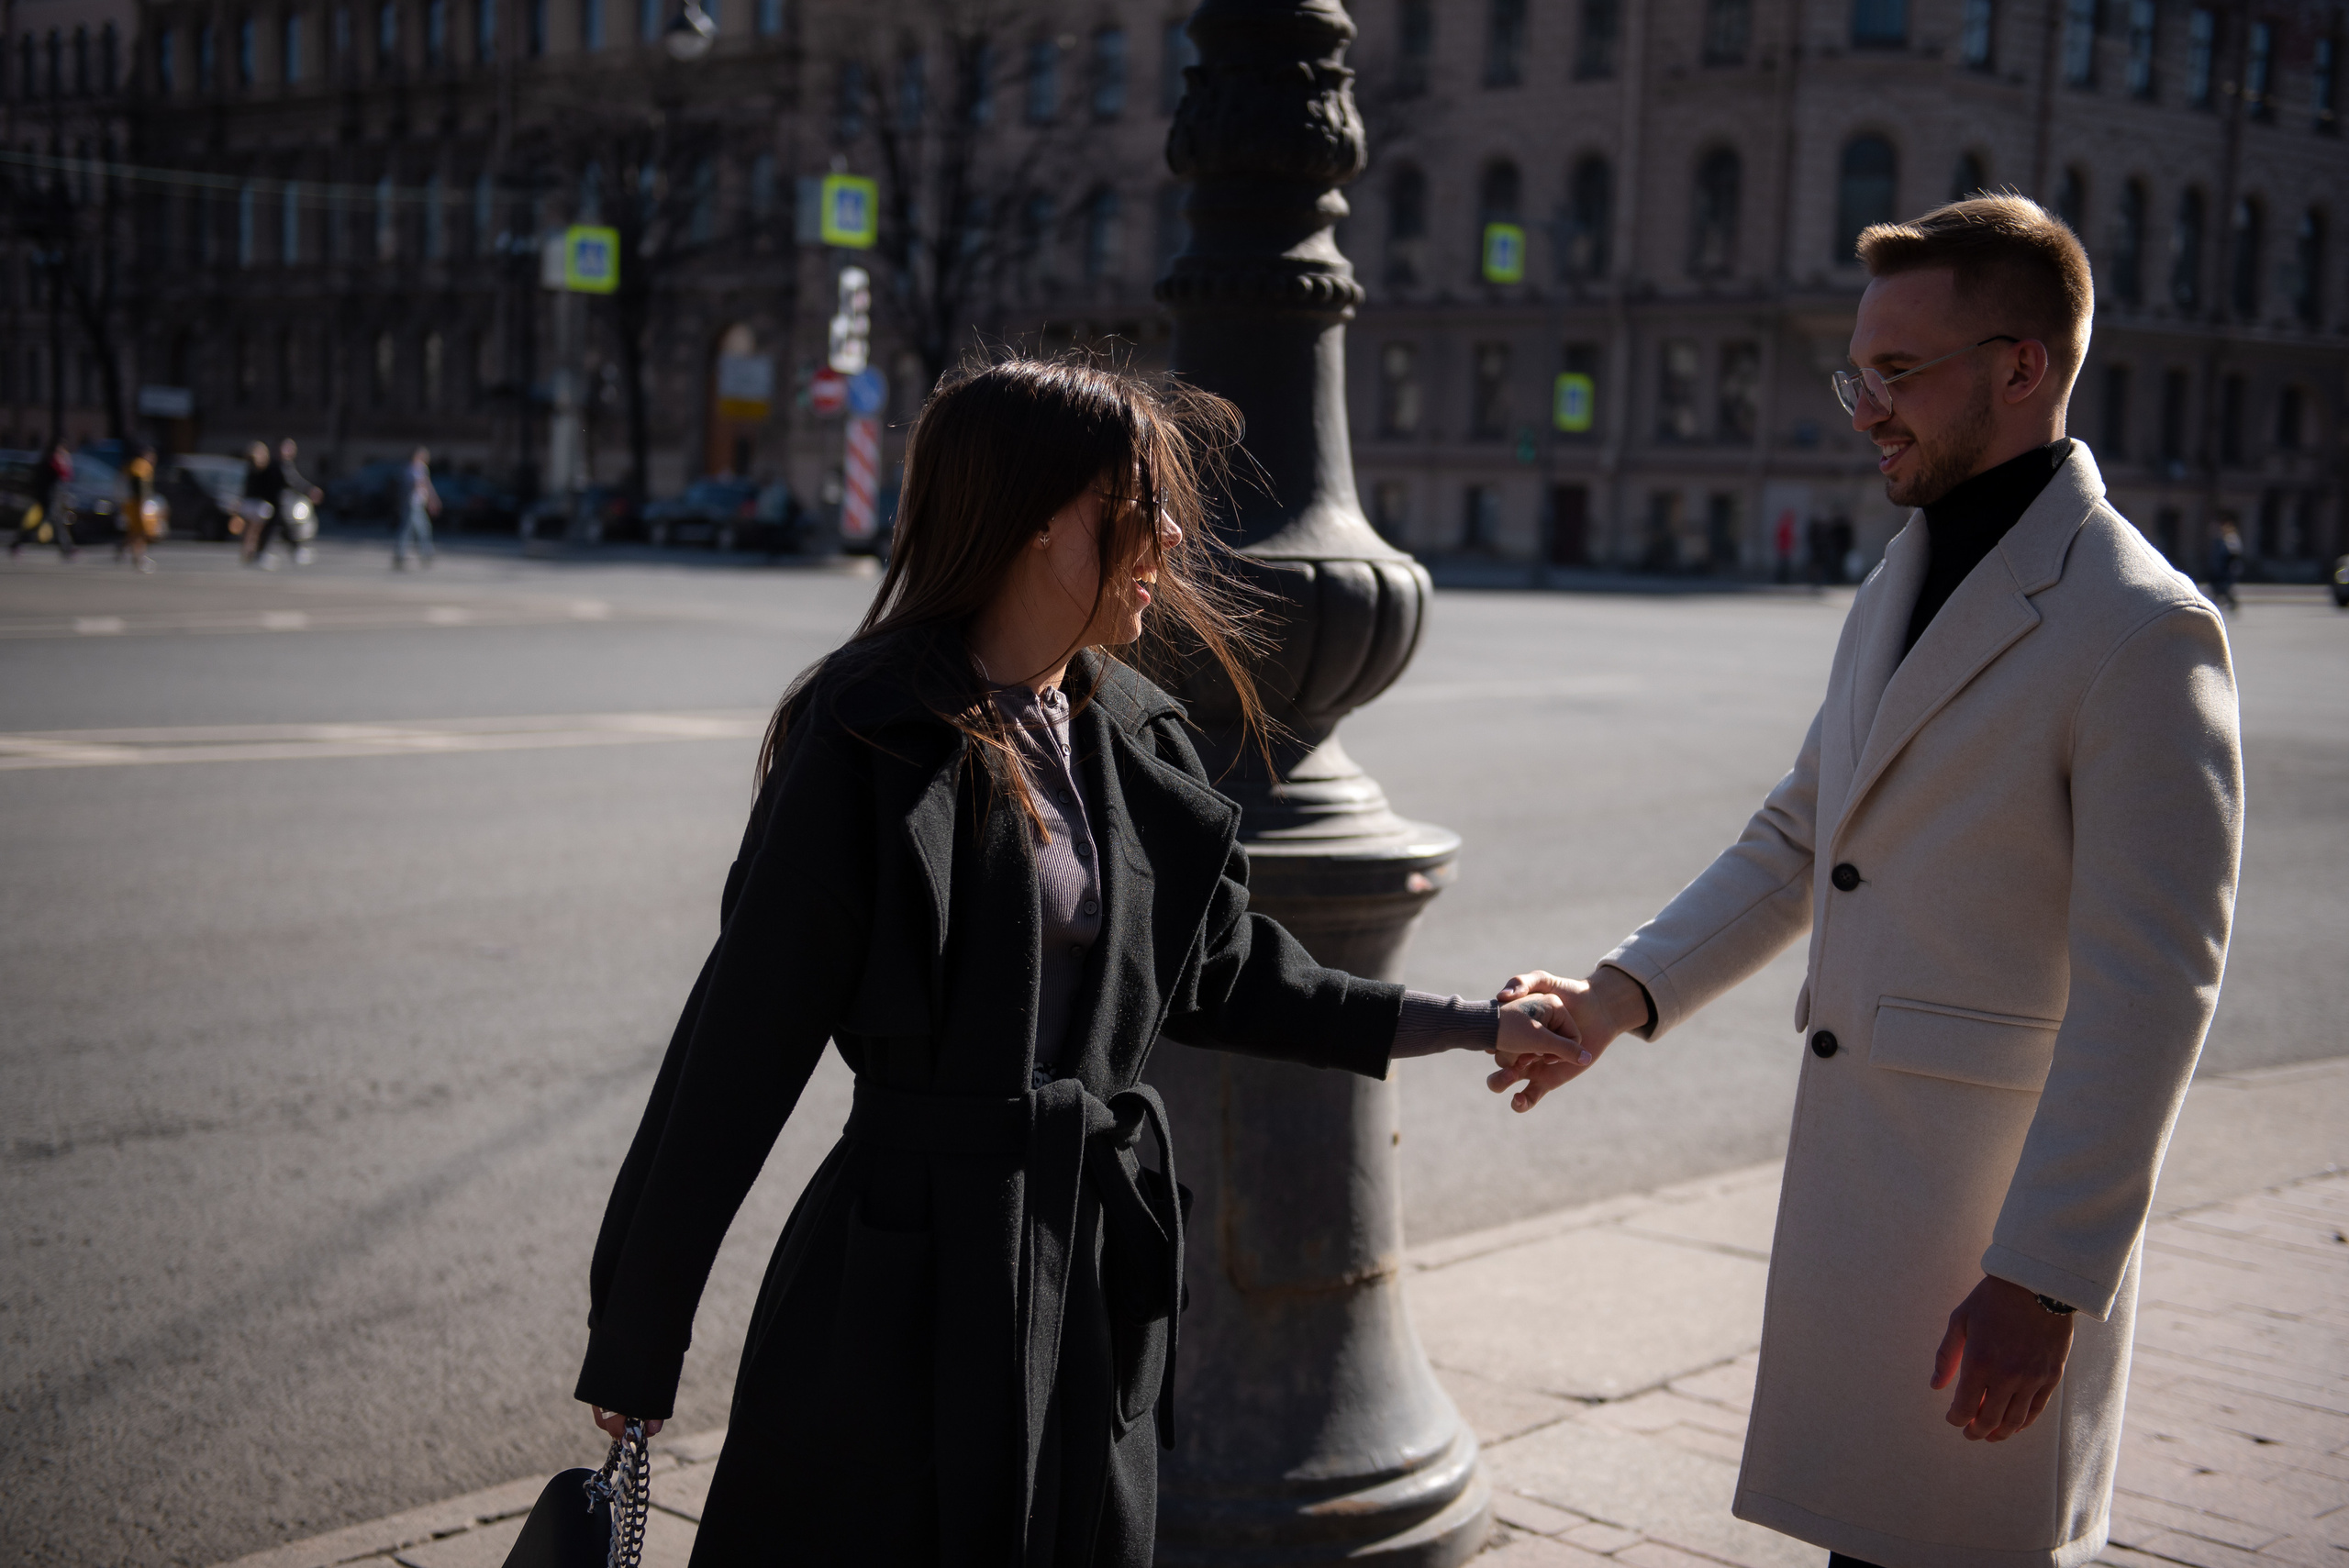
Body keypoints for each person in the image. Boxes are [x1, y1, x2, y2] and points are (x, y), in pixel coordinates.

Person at [570, 359, 1578, 1567]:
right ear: (1039, 518)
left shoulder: (1133, 733)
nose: (1168, 539)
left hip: (1089, 1281)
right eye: (1139, 506)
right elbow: (736, 1047)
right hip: (902, 1284)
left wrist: (1479, 1021)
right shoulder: (871, 736)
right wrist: (639, 1338)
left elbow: (1233, 975)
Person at [1491, 195, 2242, 1568]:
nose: (1864, 408)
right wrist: (1614, 998)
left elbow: (2154, 989)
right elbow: (1802, 833)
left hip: (1987, 1229)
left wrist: (2052, 1272)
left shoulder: (2141, 625)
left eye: (1899, 373)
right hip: (1877, 1209)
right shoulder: (1909, 563)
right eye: (1859, 372)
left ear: (2023, 367)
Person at [245, 439, 323, 568]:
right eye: (286, 448)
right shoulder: (276, 465)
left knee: (281, 528)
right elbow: (292, 482)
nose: (289, 451)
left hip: (277, 504)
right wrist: (309, 490)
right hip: (270, 503)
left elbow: (294, 481)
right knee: (269, 528)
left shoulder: (284, 465)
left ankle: (290, 550)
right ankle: (261, 554)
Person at [9, 443, 77, 560]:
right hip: (45, 502)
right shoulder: (51, 464)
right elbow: (64, 476)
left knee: (55, 523)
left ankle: (67, 549)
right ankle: (16, 544)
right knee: (36, 524)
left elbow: (65, 477)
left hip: (47, 501)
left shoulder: (49, 463)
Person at [393, 447, 440, 569]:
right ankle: (404, 555)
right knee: (411, 530)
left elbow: (427, 484)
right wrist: (432, 498)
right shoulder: (411, 469)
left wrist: (432, 499)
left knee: (420, 529)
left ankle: (422, 553)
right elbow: (419, 483)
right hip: (411, 504)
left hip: (419, 504)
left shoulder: (422, 468)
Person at [117, 445, 160, 573]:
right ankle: (139, 559)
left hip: (130, 504)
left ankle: (123, 550)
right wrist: (143, 507)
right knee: (140, 533)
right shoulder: (142, 467)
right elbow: (140, 489)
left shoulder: (133, 465)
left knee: (133, 532)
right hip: (137, 505)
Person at [2206, 512, 2243, 611]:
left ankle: (2225, 605)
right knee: (2219, 590)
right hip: (2218, 568)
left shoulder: (2230, 538)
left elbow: (2233, 555)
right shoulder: (2219, 539)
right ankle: (2215, 606)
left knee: (2223, 589)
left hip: (2225, 570)